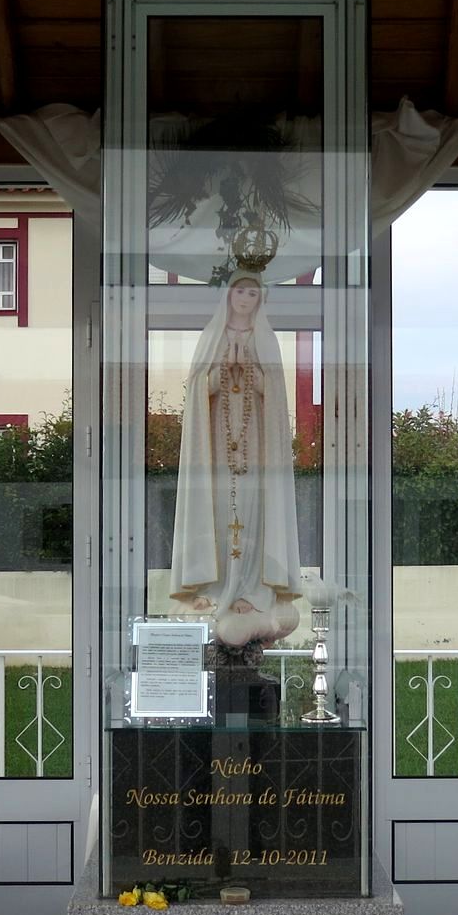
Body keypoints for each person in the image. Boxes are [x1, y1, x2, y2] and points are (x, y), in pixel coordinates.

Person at [168, 268, 303, 647]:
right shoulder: (211, 338)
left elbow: (274, 394)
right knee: (216, 517)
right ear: (228, 295)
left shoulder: (266, 340)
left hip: (255, 453)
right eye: (240, 292)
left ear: (260, 301)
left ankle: (251, 591)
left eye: (253, 294)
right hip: (216, 454)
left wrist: (254, 375)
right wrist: (221, 373)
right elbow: (198, 390)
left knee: (254, 516)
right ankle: (217, 588)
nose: (245, 299)